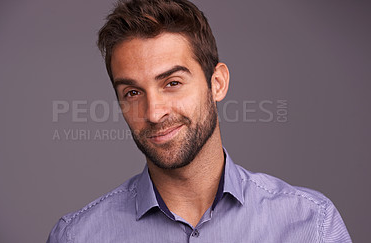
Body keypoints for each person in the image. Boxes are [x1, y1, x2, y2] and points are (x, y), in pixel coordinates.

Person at [47, 0, 351, 242]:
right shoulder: (76, 236)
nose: (153, 113)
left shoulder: (312, 225)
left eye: (172, 83)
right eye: (133, 92)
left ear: (216, 83)